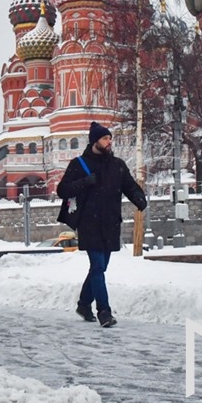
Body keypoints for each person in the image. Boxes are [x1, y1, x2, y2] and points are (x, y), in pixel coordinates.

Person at [56, 121, 147, 328]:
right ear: (95, 141)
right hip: (89, 223)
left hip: (111, 222)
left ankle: (83, 304)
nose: (109, 142)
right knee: (97, 266)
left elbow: (129, 186)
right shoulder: (78, 164)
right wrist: (85, 182)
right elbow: (63, 190)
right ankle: (104, 312)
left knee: (100, 267)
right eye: (105, 138)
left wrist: (139, 199)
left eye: (110, 139)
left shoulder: (117, 165)